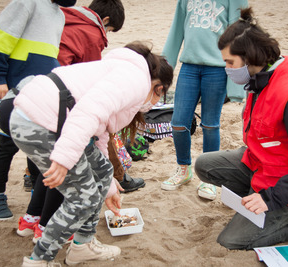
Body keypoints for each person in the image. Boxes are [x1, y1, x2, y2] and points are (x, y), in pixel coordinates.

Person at [9, 41, 173, 266]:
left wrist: (109, 184)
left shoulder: (122, 69)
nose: (153, 103)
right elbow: (89, 111)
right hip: (44, 122)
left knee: (104, 173)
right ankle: (39, 261)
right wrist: (65, 158)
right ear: (159, 88)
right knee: (82, 199)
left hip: (38, 116)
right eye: (159, 97)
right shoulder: (136, 80)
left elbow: (100, 132)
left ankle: (83, 245)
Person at [194, 7, 288, 250]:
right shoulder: (263, 75)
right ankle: (262, 199)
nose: (227, 69)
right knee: (205, 165)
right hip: (265, 165)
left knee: (230, 241)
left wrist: (269, 198)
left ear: (250, 57)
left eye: (230, 62)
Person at [16, 0, 142, 245]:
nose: (107, 35)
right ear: (105, 22)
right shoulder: (91, 32)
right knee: (65, 167)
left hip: (36, 95)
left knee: (49, 168)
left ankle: (30, 220)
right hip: (61, 107)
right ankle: (45, 227)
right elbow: (92, 80)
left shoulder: (65, 18)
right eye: (111, 30)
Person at [0, 0, 77, 221]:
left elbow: (49, 54)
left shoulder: (60, 14)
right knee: (6, 143)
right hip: (14, 87)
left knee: (37, 144)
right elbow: (1, 38)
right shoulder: (27, 3)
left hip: (41, 90)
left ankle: (36, 196)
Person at [160, 0, 248, 200]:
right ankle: (183, 169)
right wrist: (164, 69)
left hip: (217, 69)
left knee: (210, 124)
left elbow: (238, 35)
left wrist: (236, 85)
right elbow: (176, 31)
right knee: (178, 123)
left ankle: (209, 180)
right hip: (189, 67)